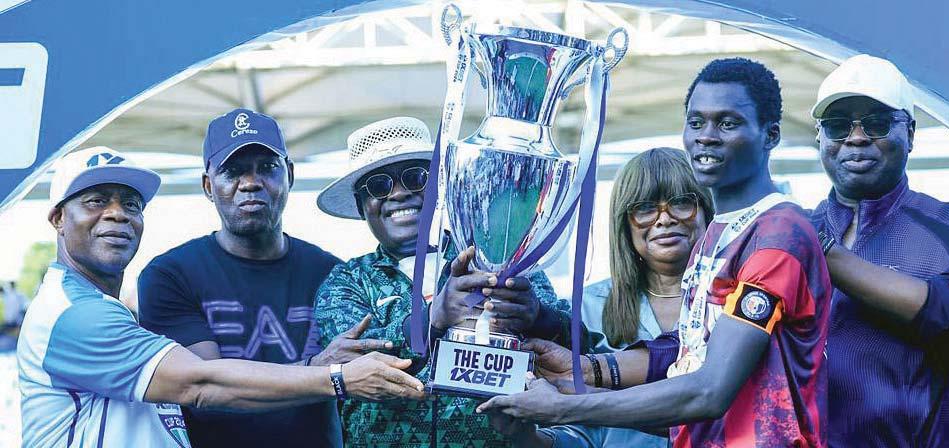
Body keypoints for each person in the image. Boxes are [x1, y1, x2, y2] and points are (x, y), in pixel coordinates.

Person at [478, 57, 831, 448]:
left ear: (771, 134)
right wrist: (576, 383)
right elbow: (689, 407)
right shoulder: (720, 234)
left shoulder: (778, 234)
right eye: (696, 122)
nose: (706, 136)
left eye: (727, 123)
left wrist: (565, 406)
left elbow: (708, 393)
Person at [17, 146, 425, 448]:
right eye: (95, 201)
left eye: (131, 204)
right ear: (58, 218)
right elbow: (200, 383)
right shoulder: (75, 314)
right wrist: (336, 377)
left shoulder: (98, 308)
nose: (117, 213)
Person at [313, 117, 575, 447]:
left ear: (440, 186)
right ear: (361, 205)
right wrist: (432, 319)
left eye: (415, 178)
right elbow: (349, 361)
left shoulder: (501, 254)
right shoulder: (347, 280)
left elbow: (582, 346)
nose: (399, 193)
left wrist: (539, 316)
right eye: (379, 186)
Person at [815, 50, 949, 448]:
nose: (856, 137)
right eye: (837, 125)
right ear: (818, 136)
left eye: (876, 123)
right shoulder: (778, 232)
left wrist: (816, 247)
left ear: (909, 133)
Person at [137, 109, 359, 447]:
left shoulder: (333, 273)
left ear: (290, 175)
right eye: (232, 171)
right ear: (208, 186)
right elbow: (208, 394)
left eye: (267, 167)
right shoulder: (169, 275)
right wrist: (321, 369)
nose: (251, 183)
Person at [502, 147, 712, 448]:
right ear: (624, 224)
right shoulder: (586, 308)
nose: (664, 219)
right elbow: (580, 433)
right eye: (645, 208)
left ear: (706, 210)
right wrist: (527, 436)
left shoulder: (729, 298)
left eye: (681, 203)